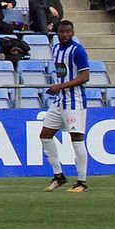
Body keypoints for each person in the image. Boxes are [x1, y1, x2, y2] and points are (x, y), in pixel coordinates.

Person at [38, 20, 91, 194]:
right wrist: (59, 88)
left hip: (74, 102)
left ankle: (81, 182)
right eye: (62, 31)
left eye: (68, 31)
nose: (65, 34)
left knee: (77, 139)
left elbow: (84, 77)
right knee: (45, 136)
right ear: (57, 33)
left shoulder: (78, 50)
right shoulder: (56, 49)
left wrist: (59, 87)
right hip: (59, 101)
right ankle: (59, 176)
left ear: (73, 32)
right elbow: (62, 73)